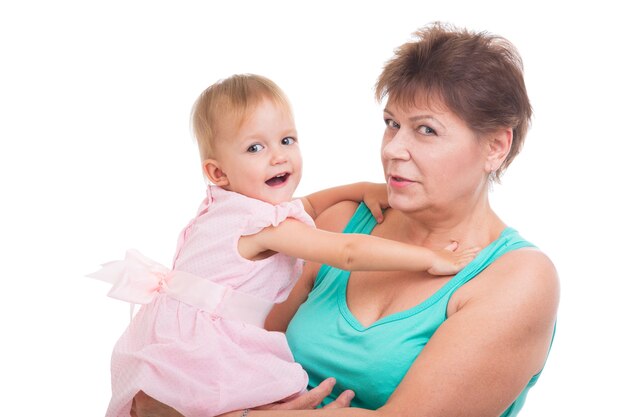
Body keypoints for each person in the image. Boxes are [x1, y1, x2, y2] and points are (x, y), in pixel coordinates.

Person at [132, 22, 560, 417]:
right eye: (392, 124)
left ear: (496, 147)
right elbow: (206, 372)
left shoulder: (518, 279)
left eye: (426, 130)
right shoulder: (339, 224)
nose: (393, 149)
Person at [91, 73, 480, 417]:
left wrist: (361, 189)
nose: (278, 156)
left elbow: (307, 205)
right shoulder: (263, 224)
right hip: (207, 351)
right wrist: (428, 257)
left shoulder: (226, 205)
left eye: (286, 140)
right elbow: (348, 252)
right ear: (217, 171)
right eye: (254, 148)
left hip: (168, 337)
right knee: (282, 391)